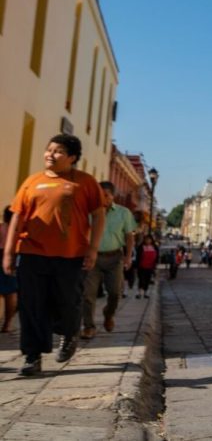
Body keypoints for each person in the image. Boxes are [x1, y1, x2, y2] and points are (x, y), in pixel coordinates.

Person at [3, 134, 106, 376]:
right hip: (31, 252)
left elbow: (99, 215)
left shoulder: (86, 182)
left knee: (67, 303)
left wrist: (92, 248)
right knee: (31, 306)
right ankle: (32, 356)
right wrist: (9, 252)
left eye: (58, 151)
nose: (50, 154)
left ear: (72, 157)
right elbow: (17, 217)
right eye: (49, 150)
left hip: (71, 255)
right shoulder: (32, 182)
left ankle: (70, 334)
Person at [80, 182, 137, 339]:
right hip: (93, 258)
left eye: (106, 195)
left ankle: (108, 313)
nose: (103, 198)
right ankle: (89, 326)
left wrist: (128, 256)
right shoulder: (88, 212)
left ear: (113, 196)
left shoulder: (124, 213)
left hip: (114, 258)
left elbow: (130, 235)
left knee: (114, 292)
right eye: (99, 194)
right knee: (88, 294)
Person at [0, 207, 19, 333]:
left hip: (2, 257)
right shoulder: (18, 230)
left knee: (8, 292)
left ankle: (7, 323)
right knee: (11, 293)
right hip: (11, 258)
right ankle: (7, 324)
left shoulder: (2, 227)